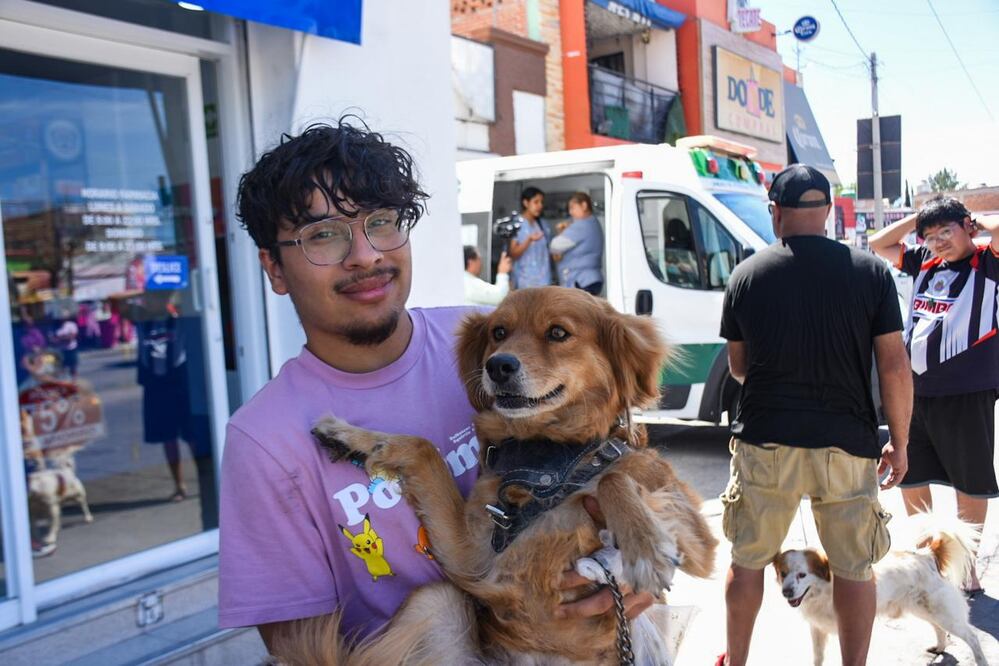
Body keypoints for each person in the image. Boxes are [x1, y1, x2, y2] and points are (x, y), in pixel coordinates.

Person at [218, 120, 653, 653]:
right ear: (275, 269)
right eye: (323, 234)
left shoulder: (493, 342)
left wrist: (629, 568)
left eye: (381, 222)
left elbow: (620, 443)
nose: (365, 255)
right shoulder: (265, 441)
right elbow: (298, 649)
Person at [717, 164, 912, 666]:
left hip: (767, 439)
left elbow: (739, 368)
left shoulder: (746, 275)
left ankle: (735, 662)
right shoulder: (871, 271)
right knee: (853, 568)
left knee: (748, 561)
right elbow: (893, 366)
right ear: (827, 211)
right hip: (847, 442)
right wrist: (902, 443)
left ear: (775, 212)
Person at [869, 197, 999, 596]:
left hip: (966, 391)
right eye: (931, 236)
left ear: (967, 227)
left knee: (970, 482)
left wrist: (976, 222)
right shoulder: (924, 262)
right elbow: (879, 244)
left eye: (947, 232)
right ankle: (930, 556)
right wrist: (918, 220)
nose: (939, 242)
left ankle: (966, 565)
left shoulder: (986, 260)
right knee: (913, 473)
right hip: (916, 390)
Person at [550, 192, 604, 295]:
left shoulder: (582, 225)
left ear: (584, 205)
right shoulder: (593, 222)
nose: (570, 212)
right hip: (591, 280)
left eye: (572, 207)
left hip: (583, 281)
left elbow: (555, 245)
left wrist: (561, 231)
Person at [507, 186, 553, 288]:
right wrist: (529, 240)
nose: (540, 206)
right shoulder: (516, 224)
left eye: (541, 202)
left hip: (544, 281)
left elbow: (550, 251)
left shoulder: (543, 225)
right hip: (525, 282)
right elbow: (513, 254)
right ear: (526, 203)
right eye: (536, 202)